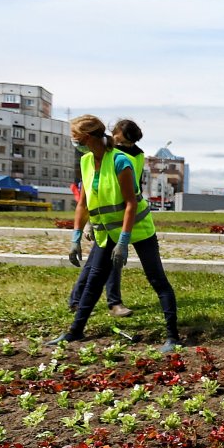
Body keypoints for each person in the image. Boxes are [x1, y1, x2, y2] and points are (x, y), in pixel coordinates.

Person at [51, 115, 182, 353]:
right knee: (93, 281)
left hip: (138, 228)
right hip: (106, 232)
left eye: (75, 137)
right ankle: (75, 332)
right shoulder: (86, 161)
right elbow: (83, 203)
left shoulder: (121, 161)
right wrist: (76, 237)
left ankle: (173, 336)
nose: (73, 141)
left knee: (156, 279)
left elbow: (130, 204)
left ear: (87, 137)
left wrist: (123, 242)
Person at [67, 119, 147, 317]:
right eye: (118, 137)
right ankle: (109, 303)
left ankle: (80, 301)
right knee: (103, 262)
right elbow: (90, 193)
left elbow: (133, 190)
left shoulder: (133, 156)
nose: (123, 144)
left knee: (100, 261)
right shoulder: (98, 154)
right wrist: (86, 227)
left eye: (128, 143)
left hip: (121, 217)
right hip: (103, 218)